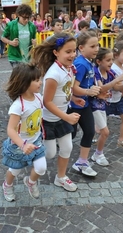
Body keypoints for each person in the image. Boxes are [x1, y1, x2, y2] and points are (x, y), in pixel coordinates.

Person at [32, 33, 80, 192]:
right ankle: (30, 155)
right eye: (68, 51)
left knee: (67, 147)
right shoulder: (53, 74)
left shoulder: (69, 69)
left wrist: (73, 99)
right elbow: (47, 102)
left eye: (74, 51)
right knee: (50, 153)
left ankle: (61, 177)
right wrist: (66, 116)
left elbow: (65, 91)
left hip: (63, 117)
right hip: (48, 120)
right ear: (56, 52)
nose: (72, 55)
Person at [1, 63, 46, 201]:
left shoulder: (38, 97)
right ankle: (7, 185)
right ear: (25, 83)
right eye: (37, 80)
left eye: (40, 79)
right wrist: (23, 144)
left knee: (41, 168)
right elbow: (10, 129)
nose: (40, 82)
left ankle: (30, 182)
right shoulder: (18, 106)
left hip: (36, 142)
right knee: (15, 170)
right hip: (19, 146)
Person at [69, 31, 101, 176]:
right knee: (70, 135)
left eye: (97, 45)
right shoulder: (80, 64)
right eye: (92, 46)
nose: (96, 49)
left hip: (84, 104)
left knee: (89, 131)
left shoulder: (88, 62)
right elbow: (73, 87)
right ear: (81, 48)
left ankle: (82, 162)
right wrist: (88, 92)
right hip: (73, 106)